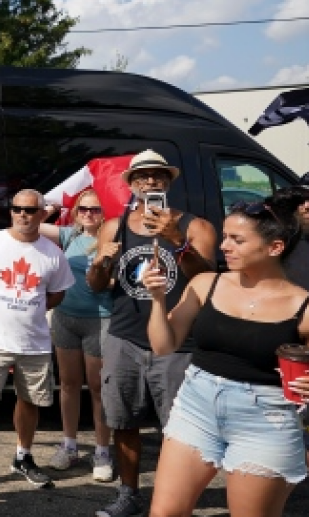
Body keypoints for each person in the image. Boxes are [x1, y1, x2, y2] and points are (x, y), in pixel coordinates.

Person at [144, 198, 309, 516]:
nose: (224, 246)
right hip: (195, 406)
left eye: (237, 240)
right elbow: (163, 346)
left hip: (267, 420)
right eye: (225, 236)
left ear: (275, 247)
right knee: (164, 513)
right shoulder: (205, 284)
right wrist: (157, 299)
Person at [86, 150, 217, 517]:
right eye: (142, 177)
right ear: (130, 184)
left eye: (158, 176)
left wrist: (178, 241)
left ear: (168, 182)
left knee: (179, 430)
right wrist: (101, 261)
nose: (150, 182)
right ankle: (129, 494)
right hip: (124, 337)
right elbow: (97, 285)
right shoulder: (113, 227)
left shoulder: (196, 227)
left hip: (177, 343)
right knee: (123, 422)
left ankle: (174, 499)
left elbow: (206, 281)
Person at [0, 189, 74, 500]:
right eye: (16, 209)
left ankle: (23, 456)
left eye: (29, 210)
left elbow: (58, 293)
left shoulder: (52, 253)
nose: (22, 215)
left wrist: (33, 310)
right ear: (10, 211)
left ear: (42, 214)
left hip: (34, 341)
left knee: (29, 402)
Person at [40, 189, 115, 482]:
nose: (88, 214)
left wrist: (108, 280)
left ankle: (102, 451)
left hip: (100, 320)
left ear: (104, 213)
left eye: (95, 209)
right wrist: (50, 206)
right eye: (83, 209)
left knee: (98, 388)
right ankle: (69, 445)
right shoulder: (70, 236)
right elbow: (31, 224)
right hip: (65, 316)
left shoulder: (112, 240)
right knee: (68, 384)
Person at [273, 171, 309, 517]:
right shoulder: (286, 239)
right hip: (289, 351)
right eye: (300, 200)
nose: (307, 206)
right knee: (308, 432)